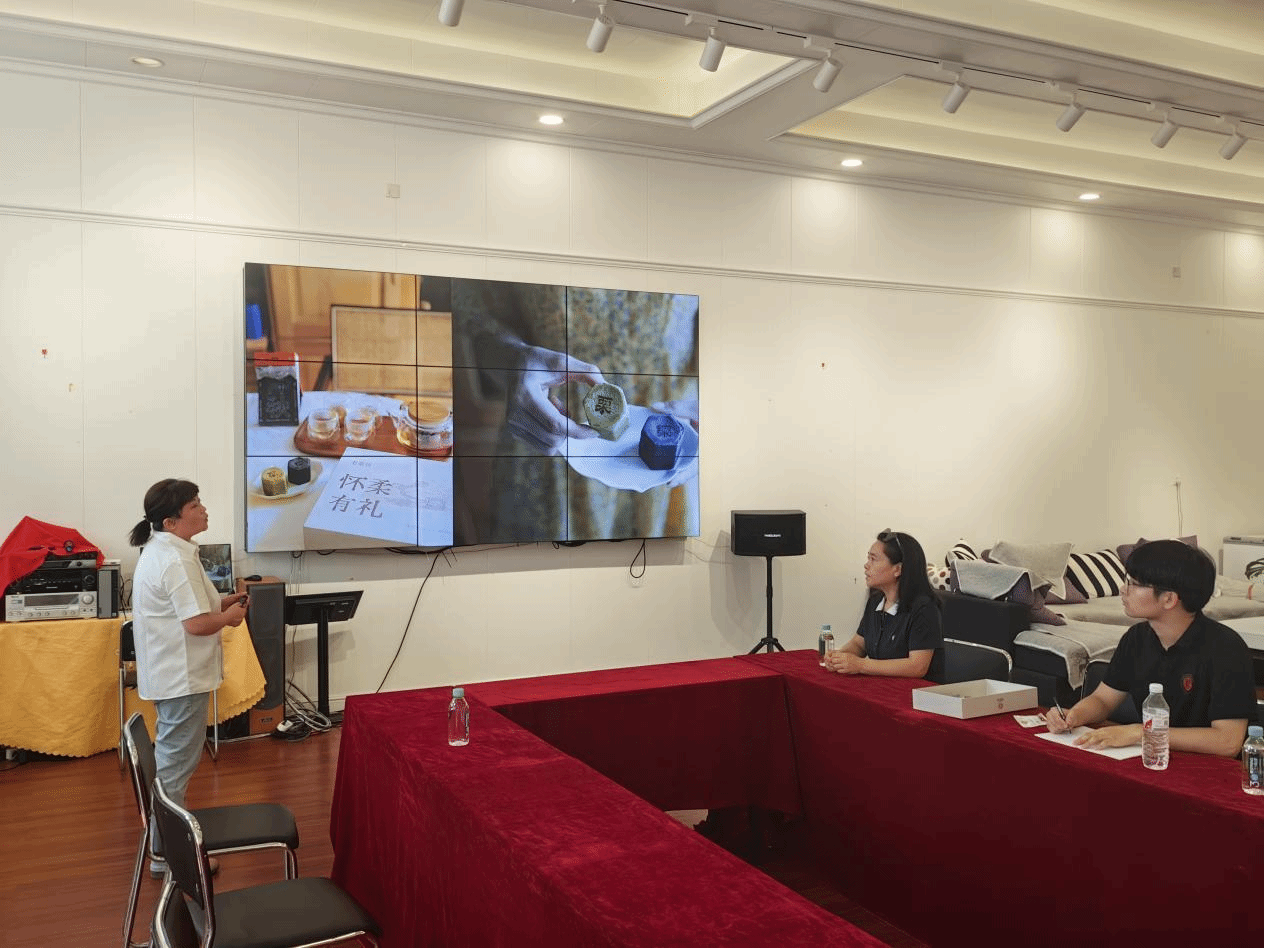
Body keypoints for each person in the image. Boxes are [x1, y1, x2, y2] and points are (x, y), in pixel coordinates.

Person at [128, 479, 249, 875]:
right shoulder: (174, 560)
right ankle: (168, 855)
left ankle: (165, 845)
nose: (203, 509)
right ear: (171, 520)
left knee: (174, 763)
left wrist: (224, 603)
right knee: (175, 767)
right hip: (180, 678)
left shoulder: (169, 550)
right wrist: (228, 618)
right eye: (194, 505)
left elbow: (193, 608)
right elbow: (196, 624)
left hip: (175, 676)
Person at [1045, 539, 1256, 756]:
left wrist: (1142, 733)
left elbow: (1227, 741)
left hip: (1207, 768)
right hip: (1152, 757)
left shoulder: (1225, 648)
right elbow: (1103, 700)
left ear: (1169, 599)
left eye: (1133, 583)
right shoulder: (1136, 638)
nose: (1123, 589)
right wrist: (1074, 715)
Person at [824, 529, 944, 680]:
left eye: (873, 559)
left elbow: (917, 667)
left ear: (898, 569)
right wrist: (839, 657)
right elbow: (859, 644)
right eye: (868, 558)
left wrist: (860, 665)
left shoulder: (924, 608)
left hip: (915, 691)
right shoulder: (876, 600)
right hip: (880, 686)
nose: (866, 565)